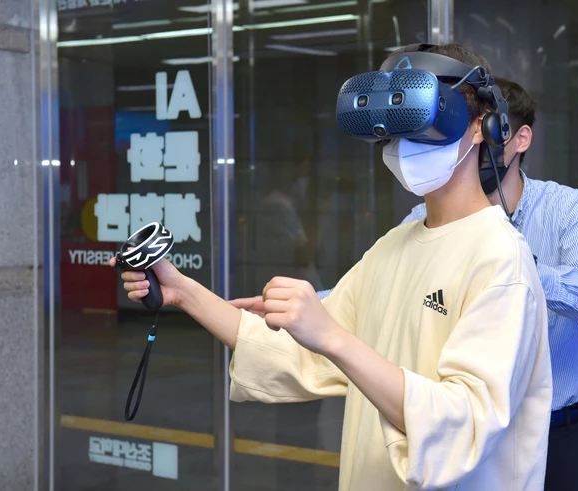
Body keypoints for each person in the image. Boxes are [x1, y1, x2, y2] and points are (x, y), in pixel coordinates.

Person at [113, 43, 552, 491]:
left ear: (482, 125)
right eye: (395, 127)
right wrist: (183, 291)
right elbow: (303, 354)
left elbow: (465, 425)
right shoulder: (393, 247)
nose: (404, 145)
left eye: (422, 120)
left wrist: (334, 339)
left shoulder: (501, 260)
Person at [234, 77, 578, 491]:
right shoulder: (424, 217)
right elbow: (387, 284)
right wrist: (299, 309)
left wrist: (503, 264)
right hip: (454, 430)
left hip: (557, 427)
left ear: (516, 137)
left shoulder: (565, 208)